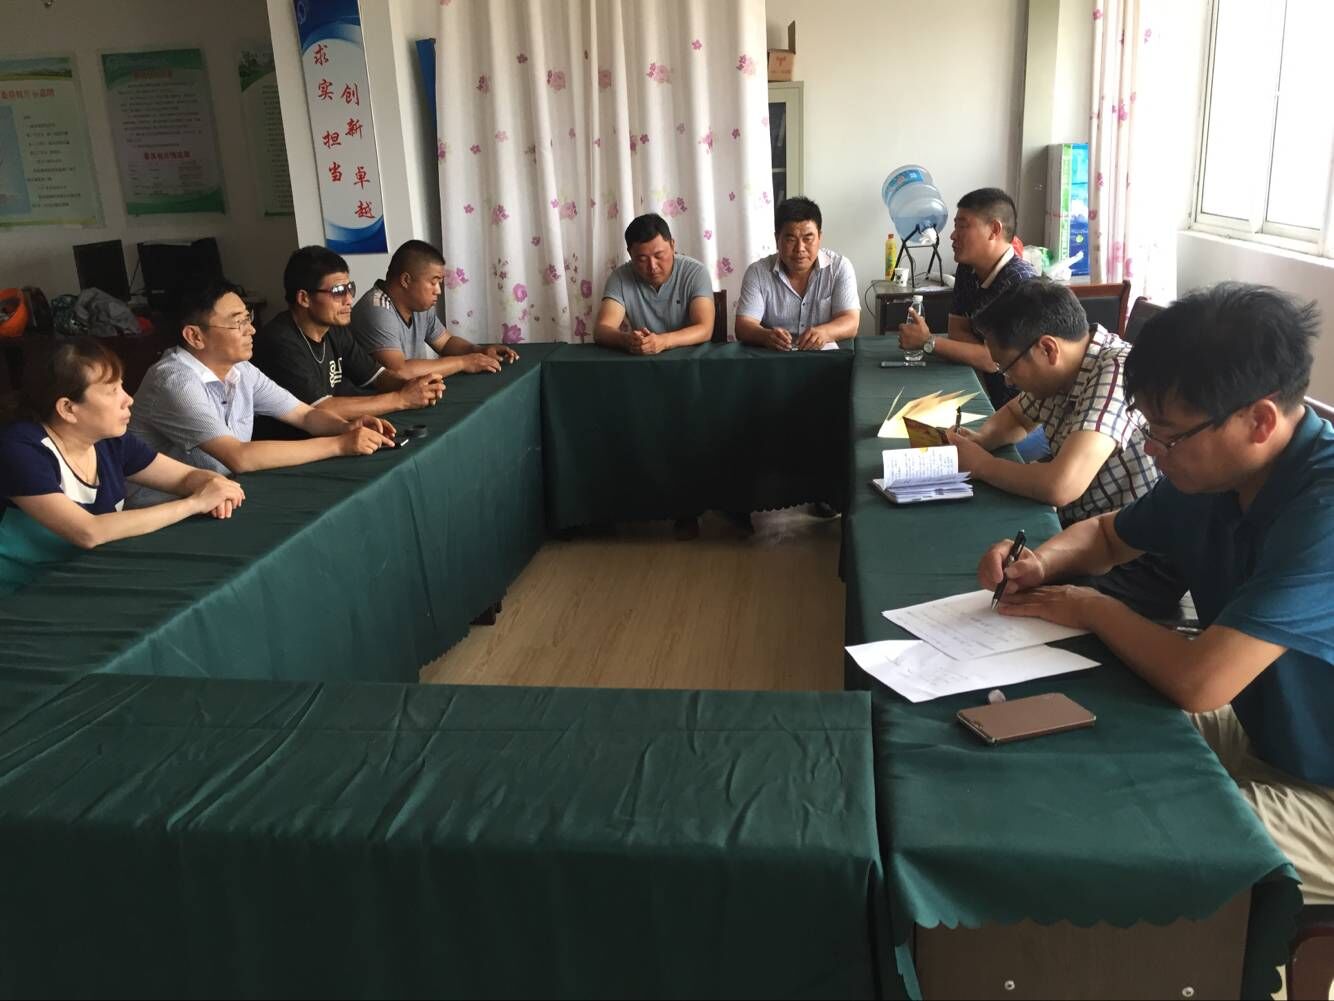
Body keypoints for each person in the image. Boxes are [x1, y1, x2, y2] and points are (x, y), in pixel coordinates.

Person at [976, 283, 1333, 904]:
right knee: (1077, 739)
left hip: (1321, 785)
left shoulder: (1321, 511)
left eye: (1168, 436)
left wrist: (1092, 607)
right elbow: (1107, 536)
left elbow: (1200, 681)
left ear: (1259, 421)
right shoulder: (1218, 474)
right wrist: (1039, 563)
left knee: (1136, 837)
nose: (1149, 449)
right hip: (1273, 731)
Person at [945, 280, 1176, 616]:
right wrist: (981, 439)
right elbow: (1016, 416)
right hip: (1083, 533)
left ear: (1047, 349)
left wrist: (981, 465)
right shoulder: (1063, 369)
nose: (1007, 380)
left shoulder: (1116, 371)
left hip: (1135, 555)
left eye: (1007, 368)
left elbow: (1061, 486)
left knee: (1008, 598)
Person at [0, 338, 244, 593]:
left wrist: (214, 485)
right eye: (111, 391)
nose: (128, 399)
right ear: (68, 408)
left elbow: (185, 478)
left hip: (86, 580)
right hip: (21, 595)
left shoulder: (110, 440)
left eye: (122, 386)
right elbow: (88, 532)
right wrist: (194, 504)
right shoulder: (20, 450)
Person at [127, 276, 396, 506]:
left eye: (248, 318)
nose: (252, 330)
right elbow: (239, 457)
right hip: (165, 510)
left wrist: (346, 427)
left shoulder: (242, 370)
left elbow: (304, 415)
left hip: (223, 496)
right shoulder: (174, 382)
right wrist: (339, 444)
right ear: (195, 336)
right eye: (238, 323)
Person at [253, 246, 445, 423]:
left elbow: (376, 376)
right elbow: (320, 409)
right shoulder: (280, 342)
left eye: (350, 288)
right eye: (338, 291)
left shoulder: (334, 329)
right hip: (289, 442)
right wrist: (401, 399)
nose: (349, 299)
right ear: (304, 298)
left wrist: (412, 386)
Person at [897, 187, 1037, 409]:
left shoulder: (1021, 284)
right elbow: (957, 330)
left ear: (994, 230)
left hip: (1020, 410)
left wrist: (929, 342)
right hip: (981, 386)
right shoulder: (967, 268)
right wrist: (981, 354)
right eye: (955, 226)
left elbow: (995, 360)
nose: (953, 235)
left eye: (962, 226)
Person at [351, 239, 518, 379]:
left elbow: (445, 343)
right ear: (406, 280)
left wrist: (479, 351)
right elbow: (399, 371)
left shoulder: (417, 306)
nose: (438, 290)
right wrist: (464, 362)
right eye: (434, 282)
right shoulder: (376, 310)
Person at [735, 196, 859, 352]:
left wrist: (825, 332)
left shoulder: (839, 268)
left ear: (820, 237)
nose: (800, 248)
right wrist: (765, 336)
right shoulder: (758, 273)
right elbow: (743, 325)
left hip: (825, 359)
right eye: (791, 239)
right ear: (777, 239)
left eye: (808, 238)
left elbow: (851, 321)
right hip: (775, 359)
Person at [593, 213, 715, 354]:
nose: (652, 266)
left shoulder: (695, 272)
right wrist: (626, 340)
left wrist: (664, 341)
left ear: (672, 245)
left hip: (689, 358)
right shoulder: (620, 278)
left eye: (659, 255)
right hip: (644, 360)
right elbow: (601, 329)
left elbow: (705, 329)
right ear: (630, 253)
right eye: (642, 259)